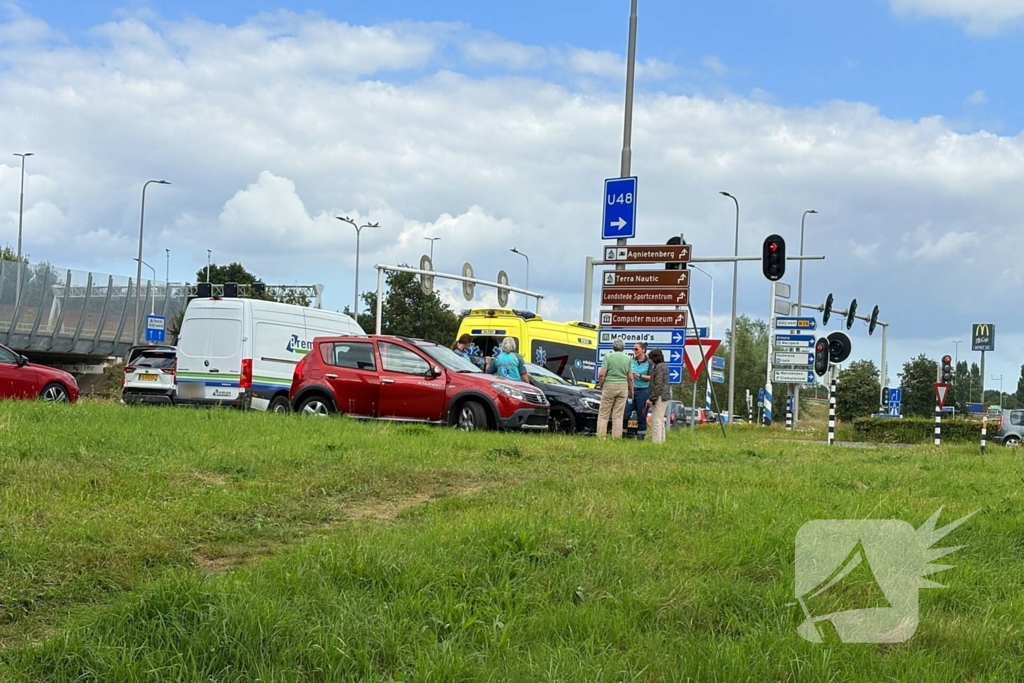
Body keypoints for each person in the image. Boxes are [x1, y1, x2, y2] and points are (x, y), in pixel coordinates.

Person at [596, 338, 634, 439]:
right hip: (623, 387)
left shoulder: (608, 357)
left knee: (604, 413)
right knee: (618, 415)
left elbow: (601, 374)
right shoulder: (628, 359)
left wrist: (602, 385)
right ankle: (616, 438)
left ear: (613, 347)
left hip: (609, 385)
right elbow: (630, 377)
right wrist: (631, 391)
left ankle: (601, 437)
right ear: (623, 348)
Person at [623, 342, 652, 440]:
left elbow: (651, 377)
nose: (634, 351)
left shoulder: (649, 363)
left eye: (636, 349)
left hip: (643, 391)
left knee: (641, 415)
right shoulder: (631, 361)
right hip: (631, 389)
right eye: (633, 349)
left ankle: (640, 437)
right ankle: (623, 435)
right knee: (625, 414)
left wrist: (639, 375)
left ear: (643, 350)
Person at [645, 348, 671, 444]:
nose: (650, 361)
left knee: (656, 420)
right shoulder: (663, 366)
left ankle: (656, 442)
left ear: (655, 358)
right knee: (660, 420)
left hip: (660, 396)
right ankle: (661, 441)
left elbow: (658, 384)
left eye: (651, 358)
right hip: (664, 395)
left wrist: (652, 398)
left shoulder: (659, 368)